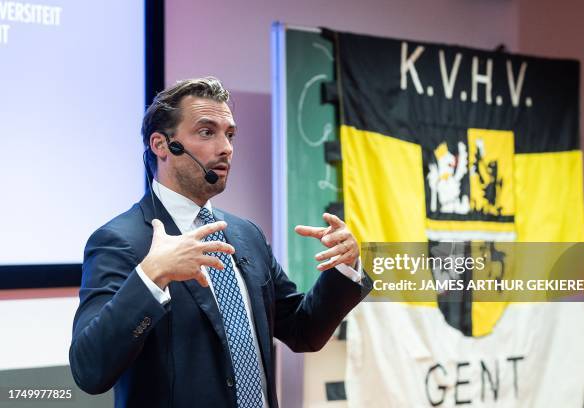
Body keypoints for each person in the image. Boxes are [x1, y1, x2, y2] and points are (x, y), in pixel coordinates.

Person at [69, 77, 372, 408]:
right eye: (206, 132)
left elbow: (303, 330)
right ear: (161, 145)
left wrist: (345, 268)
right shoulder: (120, 241)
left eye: (229, 134)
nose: (225, 147)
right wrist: (150, 276)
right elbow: (90, 370)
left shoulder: (247, 235)